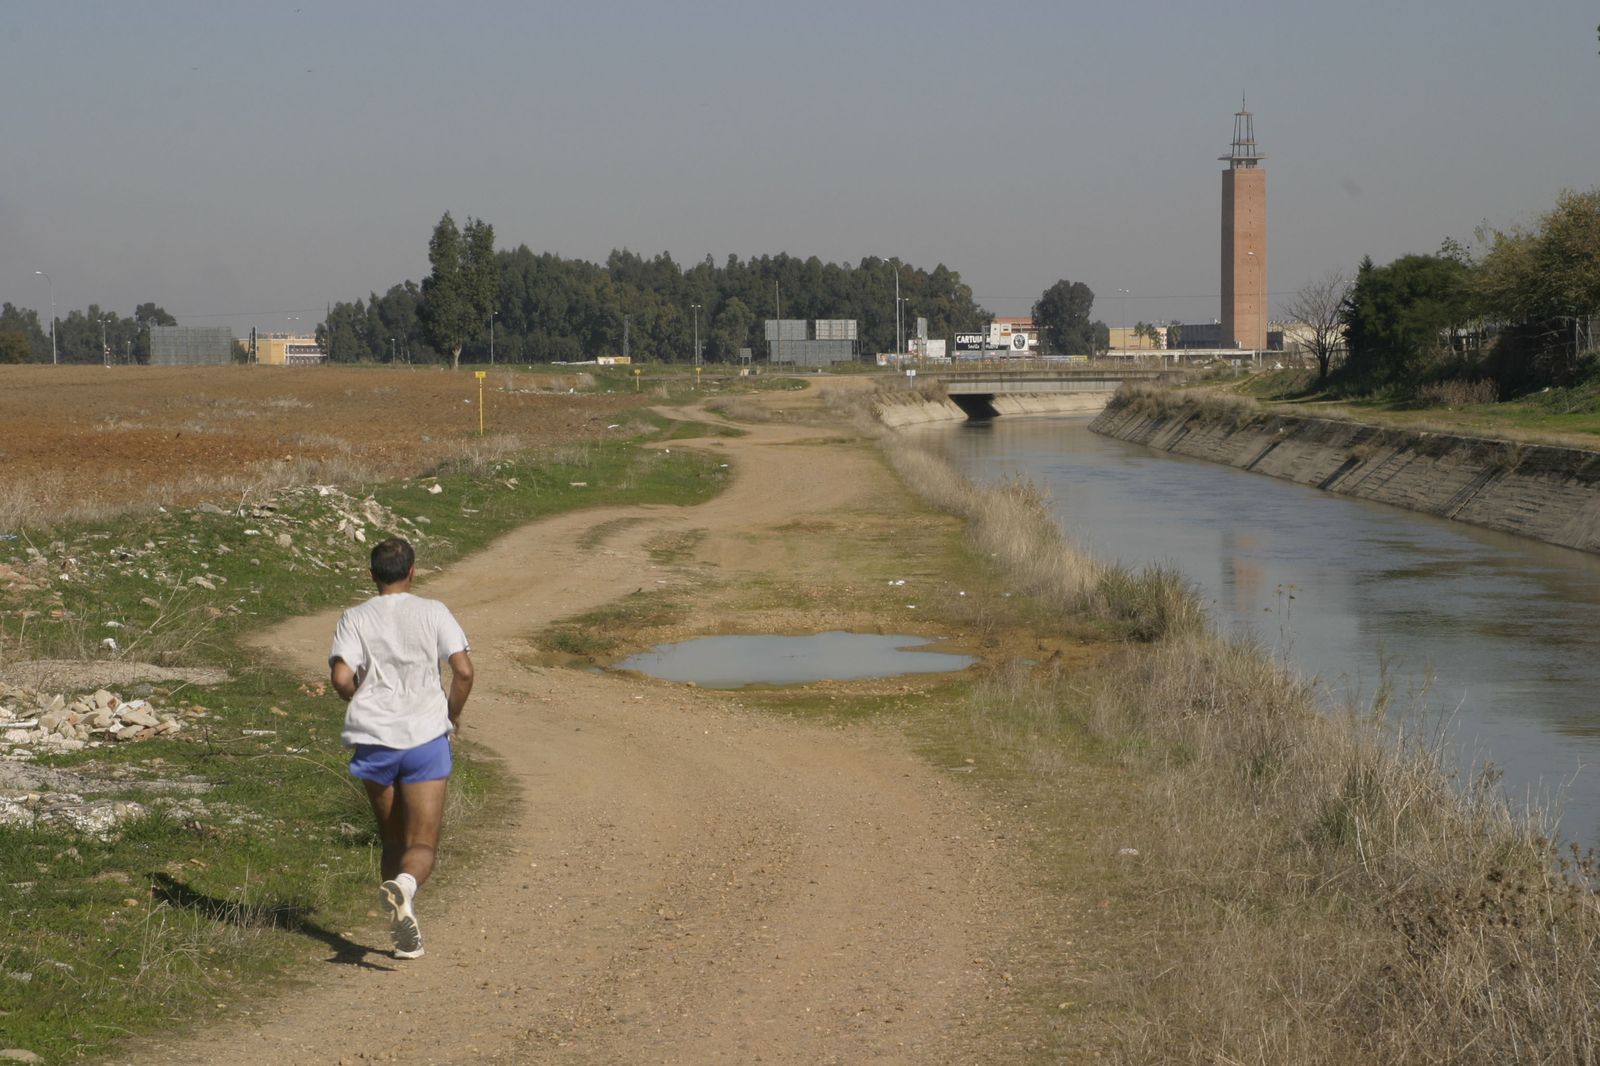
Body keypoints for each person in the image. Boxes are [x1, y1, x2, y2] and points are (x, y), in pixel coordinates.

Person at [329, 537, 473, 960]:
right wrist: (451, 713)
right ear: (413, 572)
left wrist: (360, 698)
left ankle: (401, 928)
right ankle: (406, 888)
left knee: (392, 841)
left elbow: (341, 679)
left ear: (372, 575)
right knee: (422, 845)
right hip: (425, 737)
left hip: (374, 739)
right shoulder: (433, 612)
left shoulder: (353, 617)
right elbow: (463, 672)